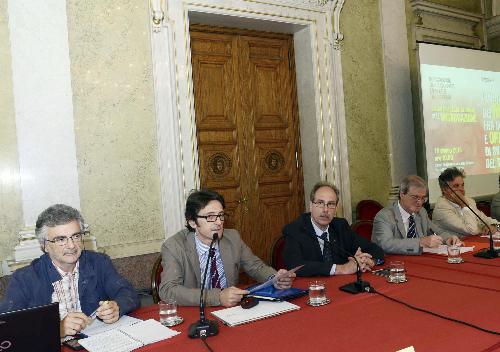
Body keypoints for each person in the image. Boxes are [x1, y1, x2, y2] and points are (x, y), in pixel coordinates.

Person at [0, 204, 139, 338]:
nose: (72, 245)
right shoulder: (24, 278)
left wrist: (117, 307)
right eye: (61, 239)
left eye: (76, 236)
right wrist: (57, 328)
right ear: (44, 245)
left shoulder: (99, 263)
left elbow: (128, 293)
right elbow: (7, 326)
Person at [159, 189, 295, 307]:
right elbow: (168, 290)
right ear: (192, 222)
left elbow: (255, 267)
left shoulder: (232, 238)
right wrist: (217, 297)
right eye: (210, 217)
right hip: (195, 312)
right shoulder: (174, 246)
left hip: (231, 310)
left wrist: (274, 278)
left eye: (221, 215)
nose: (218, 222)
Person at [282, 181, 384, 277]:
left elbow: (376, 250)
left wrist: (368, 260)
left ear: (336, 208)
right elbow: (294, 265)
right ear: (311, 205)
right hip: (312, 290)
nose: (325, 210)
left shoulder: (340, 226)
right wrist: (342, 268)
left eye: (331, 204)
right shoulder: (295, 229)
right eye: (320, 203)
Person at [372, 175, 461, 255]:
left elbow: (438, 231)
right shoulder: (384, 216)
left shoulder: (421, 212)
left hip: (418, 261)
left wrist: (448, 238)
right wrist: (420, 242)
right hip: (393, 264)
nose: (420, 202)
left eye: (423, 198)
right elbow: (385, 244)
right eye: (415, 197)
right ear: (402, 194)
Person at [432, 167, 498, 237]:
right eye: (456, 186)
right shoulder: (441, 209)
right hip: (454, 246)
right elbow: (472, 231)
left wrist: (492, 225)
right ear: (445, 190)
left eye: (462, 185)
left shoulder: (469, 201)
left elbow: (486, 219)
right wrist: (464, 205)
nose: (461, 189)